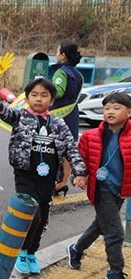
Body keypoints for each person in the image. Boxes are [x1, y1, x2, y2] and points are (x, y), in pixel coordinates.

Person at [0, 74, 87, 276]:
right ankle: (22, 251)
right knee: (33, 215)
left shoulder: (58, 124)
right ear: (27, 97)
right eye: (34, 95)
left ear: (52, 100)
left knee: (42, 219)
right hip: (25, 176)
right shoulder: (20, 116)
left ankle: (31, 252)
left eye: (44, 95)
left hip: (48, 178)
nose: (39, 99)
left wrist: (80, 172)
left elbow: (71, 149)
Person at [67, 92, 131, 279]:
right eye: (107, 108)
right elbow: (80, 161)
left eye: (116, 108)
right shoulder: (90, 136)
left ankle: (76, 248)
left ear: (128, 112)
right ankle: (115, 272)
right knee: (115, 232)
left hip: (120, 189)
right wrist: (79, 176)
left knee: (101, 226)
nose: (110, 111)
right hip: (101, 189)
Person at [51, 41, 84, 196]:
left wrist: (44, 87)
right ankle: (63, 183)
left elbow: (57, 92)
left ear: (63, 55)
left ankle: (56, 182)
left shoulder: (61, 72)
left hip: (59, 115)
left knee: (54, 148)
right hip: (72, 114)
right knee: (68, 149)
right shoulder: (78, 75)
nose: (56, 54)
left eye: (58, 51)